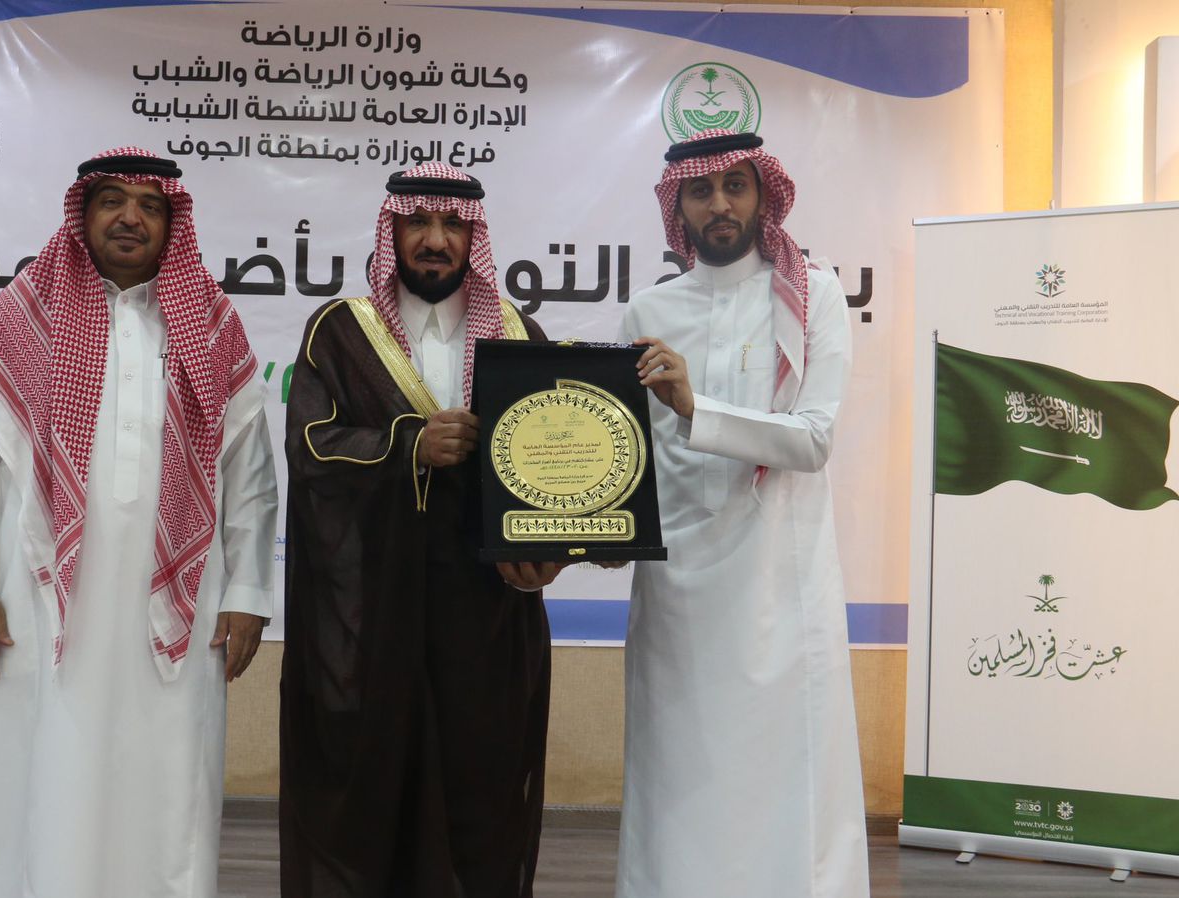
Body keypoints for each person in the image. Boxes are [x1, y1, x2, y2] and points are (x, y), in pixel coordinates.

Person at [0, 147, 277, 898]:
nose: (130, 218)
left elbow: (251, 479)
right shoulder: (24, 316)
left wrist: (249, 592)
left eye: (150, 206)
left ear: (172, 223)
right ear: (83, 214)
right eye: (112, 201)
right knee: (43, 771)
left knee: (170, 778)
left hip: (182, 606)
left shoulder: (211, 326)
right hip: (39, 599)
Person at [278, 162, 561, 898]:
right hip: (375, 617)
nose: (436, 240)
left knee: (482, 799)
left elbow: (553, 468)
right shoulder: (342, 331)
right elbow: (310, 447)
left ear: (474, 236)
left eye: (453, 225)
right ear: (392, 229)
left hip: (487, 619)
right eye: (418, 223)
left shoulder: (518, 334)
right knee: (373, 804)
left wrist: (549, 553)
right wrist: (409, 445)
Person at [615, 129, 869, 897]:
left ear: (764, 196)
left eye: (735, 186)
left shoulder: (813, 295)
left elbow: (813, 439)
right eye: (701, 190)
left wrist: (696, 406)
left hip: (778, 587)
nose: (719, 204)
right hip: (676, 597)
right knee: (679, 782)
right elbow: (628, 457)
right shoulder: (649, 310)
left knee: (785, 784)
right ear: (679, 205)